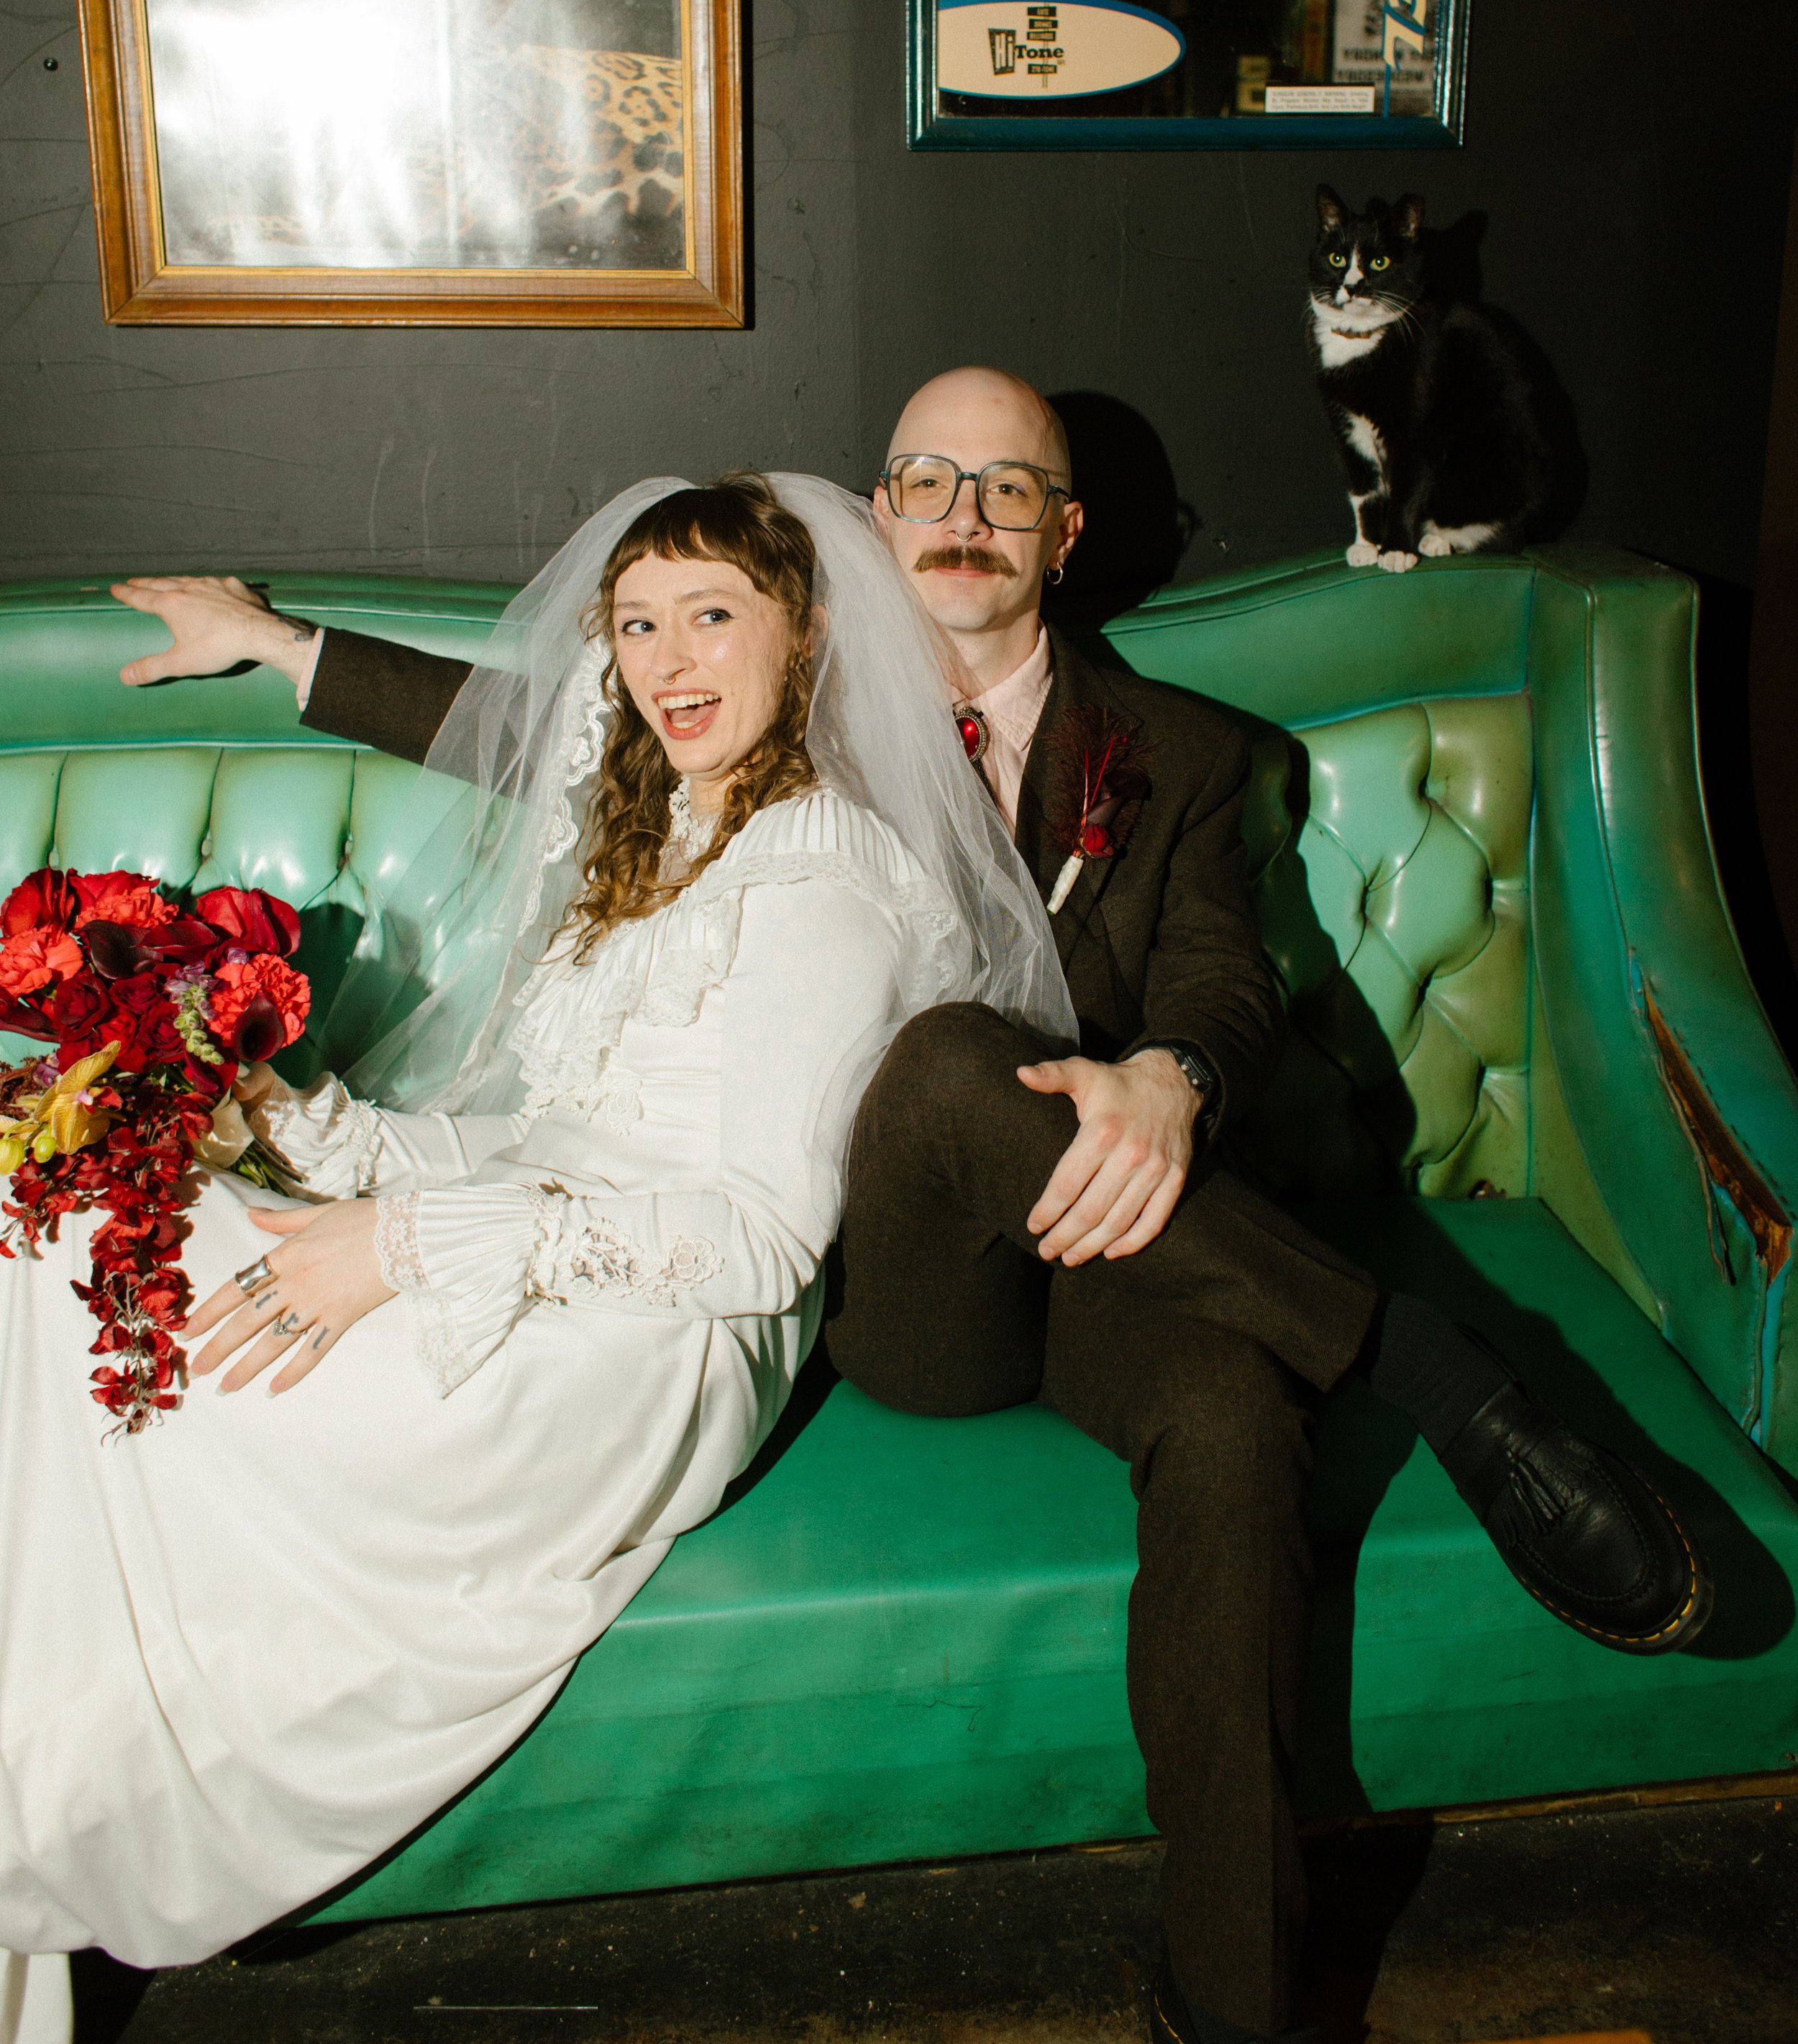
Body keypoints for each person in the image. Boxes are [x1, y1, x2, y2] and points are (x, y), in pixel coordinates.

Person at [113, 371, 1710, 2044]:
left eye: (1004, 490)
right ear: (871, 523)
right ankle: (1439, 1369)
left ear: (1062, 534)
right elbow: (540, 725)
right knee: (952, 1059)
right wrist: (277, 645)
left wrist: (1169, 1073)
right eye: (924, 480)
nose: (959, 515)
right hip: (900, 1271)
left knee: (1236, 1424)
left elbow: (1222, 986)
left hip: (1132, 1235)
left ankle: (1234, 1997)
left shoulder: (1175, 756)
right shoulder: (777, 723)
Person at [0, 473, 1064, 2044]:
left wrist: (405, 1243)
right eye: (637, 623)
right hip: (546, 1237)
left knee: (78, 1272)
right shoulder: (673, 829)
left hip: (644, 1342)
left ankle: (48, 1823)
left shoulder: (818, 873)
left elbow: (757, 1244)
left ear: (808, 630)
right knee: (64, 1191)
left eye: (713, 613)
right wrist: (303, 1119)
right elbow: (553, 1131)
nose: (667, 657)